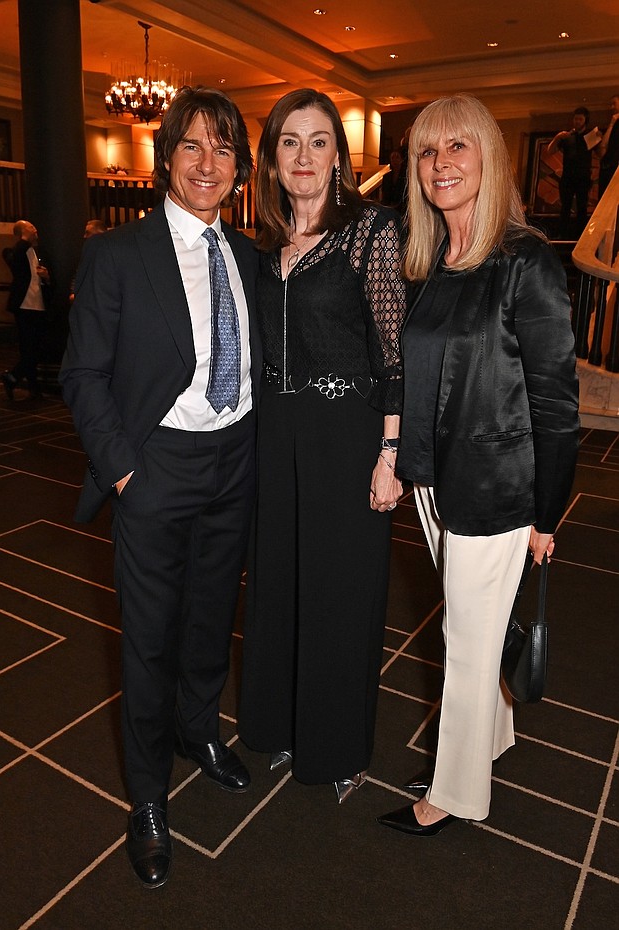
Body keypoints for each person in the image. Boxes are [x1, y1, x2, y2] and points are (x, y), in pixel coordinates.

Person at [60, 86, 261, 888]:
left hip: (235, 463)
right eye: (192, 147)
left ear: (240, 170)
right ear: (164, 159)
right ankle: (147, 796)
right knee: (146, 641)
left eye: (223, 151)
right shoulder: (116, 256)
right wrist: (125, 471)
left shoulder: (248, 256)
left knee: (213, 622)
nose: (208, 165)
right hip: (157, 467)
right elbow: (83, 375)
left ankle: (200, 731)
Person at [377, 94, 579, 836]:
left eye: (458, 148)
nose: (441, 165)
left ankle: (455, 794)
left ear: (488, 159)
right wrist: (399, 459)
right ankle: (490, 739)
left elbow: (558, 405)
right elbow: (412, 372)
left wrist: (547, 516)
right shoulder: (432, 258)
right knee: (476, 629)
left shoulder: (525, 261)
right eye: (429, 152)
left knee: (464, 644)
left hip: (500, 490)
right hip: (436, 483)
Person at [238, 88, 406, 803]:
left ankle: (336, 746)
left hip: (348, 440)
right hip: (275, 441)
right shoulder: (262, 249)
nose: (304, 156)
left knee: (341, 593)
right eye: (289, 142)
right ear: (272, 161)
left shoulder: (370, 233)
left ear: (338, 155)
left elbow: (396, 355)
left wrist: (391, 453)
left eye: (318, 141)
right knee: (277, 584)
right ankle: (278, 725)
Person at [1, 220, 50, 399]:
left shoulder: (39, 252)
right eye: (30, 227)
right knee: (28, 349)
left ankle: (13, 377)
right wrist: (24, 239)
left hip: (39, 305)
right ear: (21, 232)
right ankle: (31, 386)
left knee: (36, 348)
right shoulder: (13, 252)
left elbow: (46, 280)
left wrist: (46, 277)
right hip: (23, 306)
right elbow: (14, 263)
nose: (35, 228)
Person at [546, 107, 593, 237]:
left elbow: (601, 153)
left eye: (580, 119)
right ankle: (562, 234)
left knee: (582, 207)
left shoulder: (589, 136)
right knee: (565, 207)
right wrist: (557, 137)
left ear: (585, 120)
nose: (577, 121)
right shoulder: (567, 136)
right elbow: (550, 151)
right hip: (567, 177)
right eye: (575, 119)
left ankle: (581, 235)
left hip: (583, 177)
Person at [597, 93, 619, 199]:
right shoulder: (613, 123)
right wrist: (612, 123)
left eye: (614, 104)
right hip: (608, 168)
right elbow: (603, 146)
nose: (612, 107)